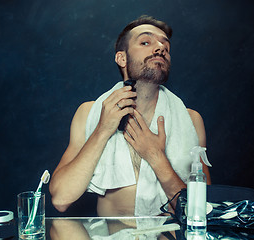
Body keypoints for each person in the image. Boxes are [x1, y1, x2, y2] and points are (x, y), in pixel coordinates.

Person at [49, 15, 211, 217]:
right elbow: (61, 199)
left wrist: (156, 157)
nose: (160, 48)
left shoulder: (191, 121)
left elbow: (204, 211)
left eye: (165, 46)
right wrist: (103, 129)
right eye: (145, 42)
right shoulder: (89, 113)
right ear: (121, 58)